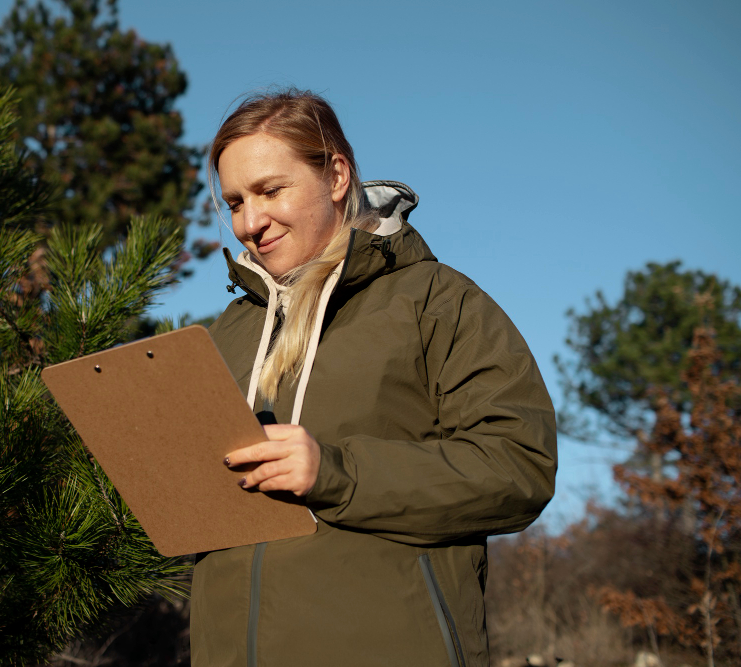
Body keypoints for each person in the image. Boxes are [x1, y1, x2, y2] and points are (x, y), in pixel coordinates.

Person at [193, 89, 557, 667]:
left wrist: (336, 472)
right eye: (235, 201)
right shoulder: (228, 332)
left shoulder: (436, 300)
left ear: (336, 175)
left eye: (270, 190)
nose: (250, 222)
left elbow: (519, 468)